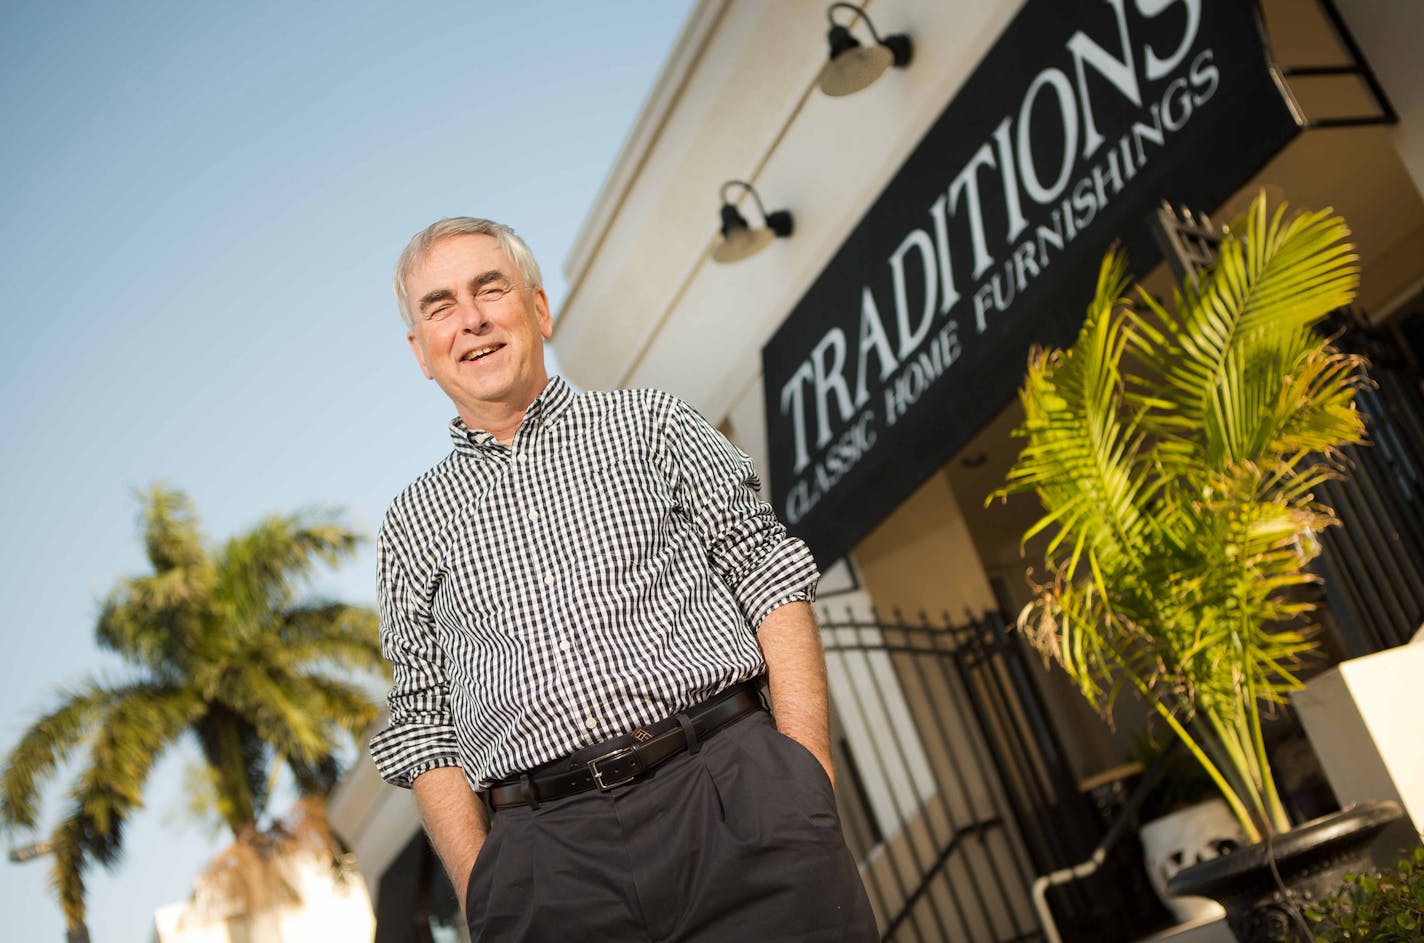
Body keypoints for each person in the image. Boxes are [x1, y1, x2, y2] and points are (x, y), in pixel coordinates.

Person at [369, 217, 877, 942]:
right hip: (546, 867)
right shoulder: (411, 525)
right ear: (421, 351)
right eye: (439, 306)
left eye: (490, 288)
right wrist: (484, 883)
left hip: (731, 795)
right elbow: (423, 720)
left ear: (538, 309)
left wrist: (806, 770)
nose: (472, 319)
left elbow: (767, 568)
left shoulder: (652, 424)